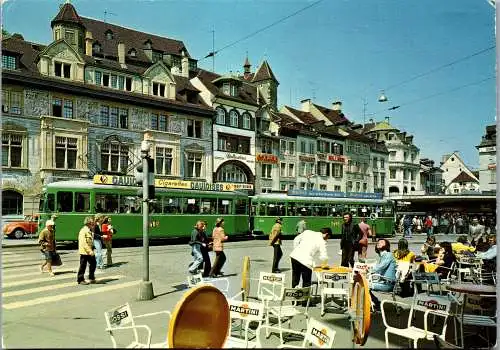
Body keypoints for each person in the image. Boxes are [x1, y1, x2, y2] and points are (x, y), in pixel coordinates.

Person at [290, 228, 331, 294]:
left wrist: (297, 250)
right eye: (328, 238)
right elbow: (324, 256)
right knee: (306, 281)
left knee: (295, 278)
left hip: (294, 256)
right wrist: (325, 264)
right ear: (326, 234)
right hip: (306, 261)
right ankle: (304, 302)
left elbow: (296, 240)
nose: (327, 239)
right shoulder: (322, 241)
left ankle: (294, 299)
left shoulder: (307, 232)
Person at [369, 239, 397, 311]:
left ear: (386, 245)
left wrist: (368, 270)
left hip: (387, 284)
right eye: (378, 242)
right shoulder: (383, 256)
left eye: (381, 242)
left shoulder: (388, 255)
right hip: (384, 282)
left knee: (365, 285)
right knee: (364, 283)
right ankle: (374, 302)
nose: (378, 243)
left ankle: (375, 303)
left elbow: (381, 266)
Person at [77, 216, 97, 285]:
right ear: (88, 223)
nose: (93, 224)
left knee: (93, 264)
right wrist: (90, 251)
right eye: (92, 223)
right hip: (84, 252)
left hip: (89, 251)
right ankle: (80, 279)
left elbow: (90, 241)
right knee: (83, 265)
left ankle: (91, 277)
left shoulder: (89, 230)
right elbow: (83, 243)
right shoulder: (83, 231)